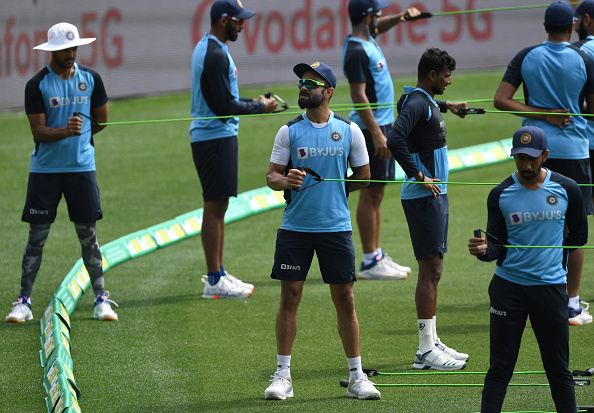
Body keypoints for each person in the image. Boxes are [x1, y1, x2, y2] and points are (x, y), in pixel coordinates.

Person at [264, 62, 380, 400]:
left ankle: (357, 377)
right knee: (290, 297)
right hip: (295, 229)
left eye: (310, 83)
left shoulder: (349, 130)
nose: (303, 87)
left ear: (328, 91)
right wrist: (285, 180)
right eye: (301, 82)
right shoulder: (288, 131)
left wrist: (338, 190)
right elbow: (271, 175)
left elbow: (365, 176)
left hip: (336, 228)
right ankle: (282, 376)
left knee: (345, 299)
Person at [468, 125, 587, 413]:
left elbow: (579, 238)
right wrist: (484, 251)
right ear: (513, 156)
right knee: (500, 368)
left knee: (558, 369)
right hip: (509, 290)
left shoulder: (567, 188)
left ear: (545, 155)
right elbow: (497, 246)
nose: (526, 164)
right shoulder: (500, 194)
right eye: (520, 158)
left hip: (550, 290)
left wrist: (554, 247)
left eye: (532, 158)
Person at [5, 22, 117, 323]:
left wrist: (80, 135)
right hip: (45, 171)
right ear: (51, 51)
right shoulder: (37, 84)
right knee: (37, 237)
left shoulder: (91, 79)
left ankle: (101, 299)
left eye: (73, 47)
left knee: (88, 236)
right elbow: (38, 131)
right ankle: (23, 302)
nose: (70, 53)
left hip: (82, 169)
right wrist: (66, 132)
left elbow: (102, 120)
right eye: (64, 49)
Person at [494, 0, 594, 325]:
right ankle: (572, 303)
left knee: (536, 222)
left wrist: (541, 113)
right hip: (576, 149)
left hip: (532, 151)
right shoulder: (583, 58)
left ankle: (532, 293)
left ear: (544, 27)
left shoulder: (526, 56)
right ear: (572, 26)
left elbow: (501, 99)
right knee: (575, 229)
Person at [386, 47, 468, 370]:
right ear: (432, 75)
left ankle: (431, 340)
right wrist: (419, 174)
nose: (449, 81)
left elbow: (423, 108)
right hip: (423, 196)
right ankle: (424, 351)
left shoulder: (423, 101)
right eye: (446, 75)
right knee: (430, 270)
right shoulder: (419, 102)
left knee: (435, 269)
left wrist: (449, 106)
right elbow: (395, 139)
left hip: (434, 196)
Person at [190, 0, 277, 299]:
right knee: (215, 207)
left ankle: (219, 272)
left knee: (220, 206)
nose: (243, 25)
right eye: (238, 20)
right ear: (224, 20)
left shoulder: (213, 48)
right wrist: (260, 106)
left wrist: (251, 104)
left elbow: (223, 100)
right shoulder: (214, 54)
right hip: (214, 138)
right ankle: (214, 279)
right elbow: (224, 107)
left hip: (215, 137)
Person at [343, 0, 420, 280]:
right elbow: (358, 95)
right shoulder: (355, 50)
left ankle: (374, 255)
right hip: (370, 128)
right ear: (367, 17)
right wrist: (376, 133)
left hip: (381, 125)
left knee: (377, 191)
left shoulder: (366, 39)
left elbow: (379, 26)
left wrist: (400, 17)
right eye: (377, 13)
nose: (380, 17)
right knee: (370, 190)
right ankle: (369, 259)